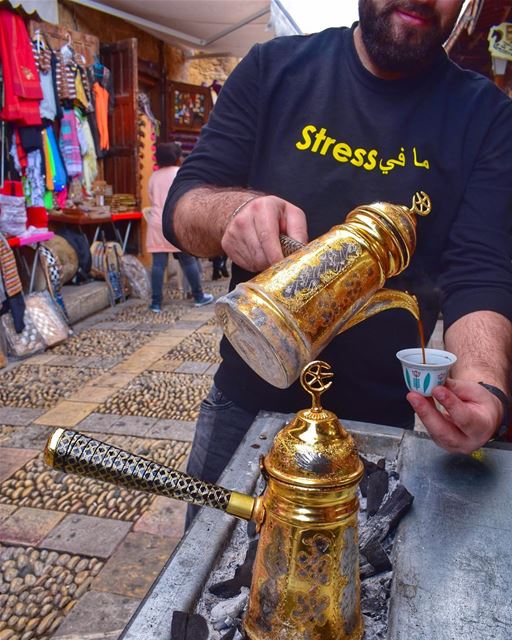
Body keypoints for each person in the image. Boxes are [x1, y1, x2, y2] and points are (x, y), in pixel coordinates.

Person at [162, 0, 512, 500]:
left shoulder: (486, 116)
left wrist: (483, 386)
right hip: (247, 408)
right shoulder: (272, 68)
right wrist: (232, 213)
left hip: (381, 425)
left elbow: (479, 271)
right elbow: (185, 203)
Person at [147, 142, 214, 312]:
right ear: (178, 158)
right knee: (188, 260)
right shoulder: (180, 173)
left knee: (157, 265)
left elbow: (151, 196)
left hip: (156, 222)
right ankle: (198, 296)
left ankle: (156, 303)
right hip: (176, 221)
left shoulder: (153, 176)